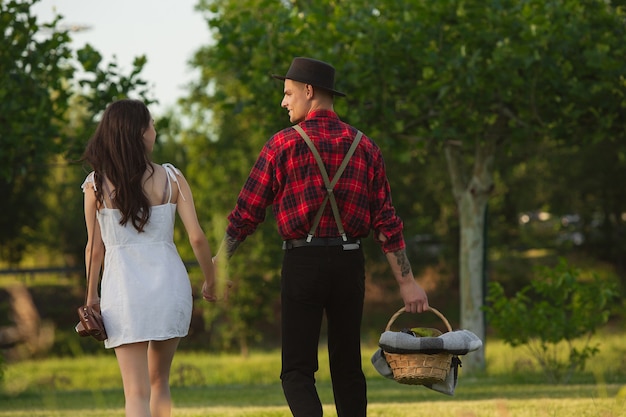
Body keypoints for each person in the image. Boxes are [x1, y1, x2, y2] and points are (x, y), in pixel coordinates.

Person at [215, 57, 429, 417]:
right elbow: (387, 223)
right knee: (347, 368)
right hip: (349, 263)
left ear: (309, 91)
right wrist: (408, 284)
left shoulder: (281, 145)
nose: (283, 101)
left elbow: (246, 213)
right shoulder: (366, 147)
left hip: (302, 263)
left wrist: (219, 264)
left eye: (287, 93)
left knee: (297, 371)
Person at [80, 99, 219, 417]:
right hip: (169, 289)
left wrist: (91, 296)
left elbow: (94, 249)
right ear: (140, 133)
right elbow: (196, 237)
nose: (155, 130)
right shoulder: (172, 178)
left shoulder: (96, 185)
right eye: (152, 124)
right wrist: (211, 279)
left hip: (123, 293)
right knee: (160, 384)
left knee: (136, 393)